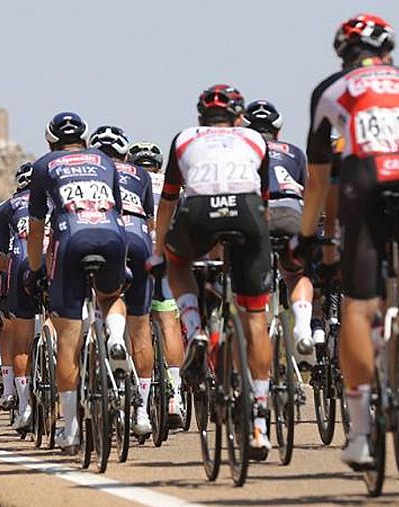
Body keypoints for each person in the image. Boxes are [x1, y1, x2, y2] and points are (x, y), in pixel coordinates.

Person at [295, 14, 399, 468]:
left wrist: (306, 237)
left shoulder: (329, 90)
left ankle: (360, 434)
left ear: (343, 55)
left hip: (368, 173)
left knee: (359, 304)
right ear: (388, 52)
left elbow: (319, 181)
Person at [151, 84, 275, 457]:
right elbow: (263, 204)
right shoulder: (255, 140)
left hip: (199, 213)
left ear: (200, 118)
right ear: (239, 117)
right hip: (249, 215)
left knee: (177, 262)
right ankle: (259, 423)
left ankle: (193, 329)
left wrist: (159, 252)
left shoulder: (185, 139)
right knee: (255, 318)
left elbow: (168, 201)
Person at [26, 111, 127, 453]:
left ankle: (70, 430)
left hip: (71, 240)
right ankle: (114, 337)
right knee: (112, 296)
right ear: (84, 139)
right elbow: (119, 210)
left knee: (68, 340)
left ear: (51, 141)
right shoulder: (103, 159)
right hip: (113, 236)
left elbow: (37, 225)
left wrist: (36, 270)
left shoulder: (45, 166)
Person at [90, 125, 155, 437]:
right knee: (141, 328)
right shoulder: (140, 174)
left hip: (104, 237)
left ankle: (112, 338)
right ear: (126, 154)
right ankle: (142, 413)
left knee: (103, 297)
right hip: (140, 239)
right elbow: (151, 220)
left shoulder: (92, 172)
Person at [243, 99, 316, 364]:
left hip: (256, 215)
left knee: (242, 277)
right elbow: (308, 196)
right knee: (297, 274)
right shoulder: (295, 152)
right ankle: (303, 327)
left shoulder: (245, 148)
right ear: (278, 131)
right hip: (290, 215)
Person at [128, 142, 187, 428]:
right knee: (168, 323)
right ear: (160, 165)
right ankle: (175, 395)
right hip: (165, 256)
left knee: (135, 325)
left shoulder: (128, 179)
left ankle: (139, 397)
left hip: (133, 253)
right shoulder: (172, 184)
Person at [0, 162, 37, 418]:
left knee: (19, 339)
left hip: (19, 267)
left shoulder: (7, 207)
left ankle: (23, 406)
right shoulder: (55, 197)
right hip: (55, 263)